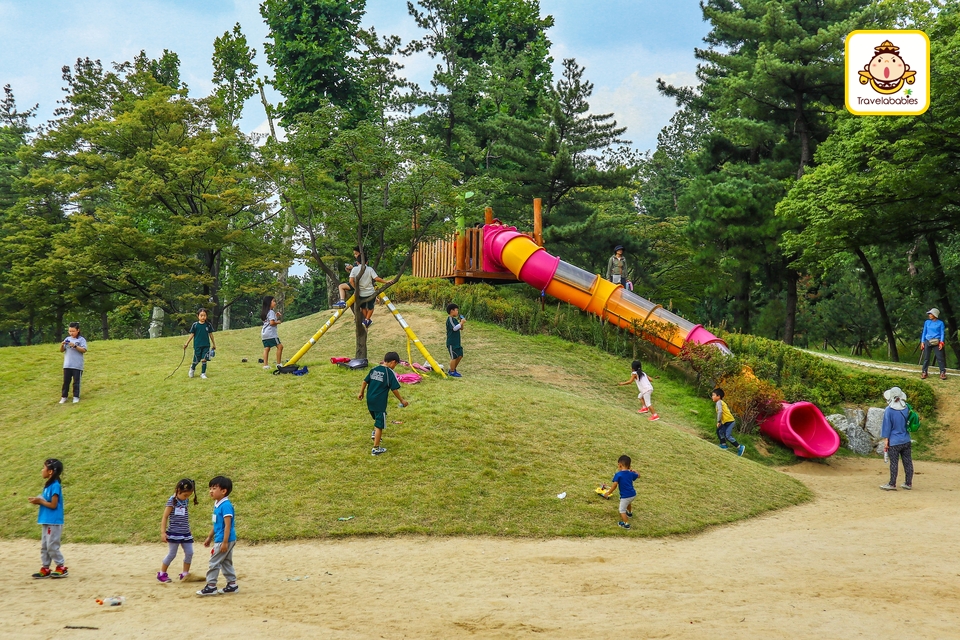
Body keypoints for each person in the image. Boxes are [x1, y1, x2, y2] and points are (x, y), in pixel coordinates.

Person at [359, 351, 409, 456]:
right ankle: (376, 449)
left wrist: (361, 392)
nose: (395, 367)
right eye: (396, 364)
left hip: (370, 399)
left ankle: (375, 434)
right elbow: (394, 389)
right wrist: (402, 400)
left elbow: (364, 381)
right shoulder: (389, 373)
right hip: (379, 402)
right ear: (393, 362)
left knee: (378, 417)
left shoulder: (374, 369)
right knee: (380, 424)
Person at [197, 476, 238, 596]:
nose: (211, 491)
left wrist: (224, 542)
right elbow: (216, 524)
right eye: (210, 488)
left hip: (224, 539)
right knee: (225, 562)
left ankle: (211, 586)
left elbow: (227, 525)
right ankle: (232, 585)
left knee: (214, 562)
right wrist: (210, 537)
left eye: (214, 488)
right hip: (224, 538)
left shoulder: (225, 506)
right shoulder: (217, 504)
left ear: (224, 491)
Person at [28, 458, 67, 578]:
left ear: (50, 471)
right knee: (45, 546)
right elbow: (47, 501)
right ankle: (45, 568)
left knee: (52, 545)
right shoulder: (48, 486)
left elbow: (53, 505)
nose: (42, 470)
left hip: (53, 521)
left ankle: (61, 567)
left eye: (44, 468)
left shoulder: (55, 486)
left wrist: (40, 501)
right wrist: (38, 500)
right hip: (46, 520)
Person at [158, 478, 198, 583]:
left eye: (189, 495)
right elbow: (165, 517)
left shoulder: (185, 500)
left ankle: (185, 573)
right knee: (172, 554)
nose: (186, 497)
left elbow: (184, 515)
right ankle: (162, 573)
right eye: (185, 495)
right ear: (178, 490)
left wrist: (188, 528)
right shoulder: (172, 501)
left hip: (185, 533)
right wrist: (163, 532)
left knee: (190, 552)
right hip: (174, 533)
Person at [880, 387, 914, 491]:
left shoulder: (889, 410)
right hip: (906, 439)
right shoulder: (906, 408)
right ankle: (908, 483)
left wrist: (886, 441)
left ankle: (892, 484)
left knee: (894, 463)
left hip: (894, 441)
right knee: (908, 462)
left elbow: (887, 427)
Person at [349, 255, 389, 328]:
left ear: (357, 262)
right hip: (370, 292)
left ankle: (367, 320)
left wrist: (356, 289)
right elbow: (376, 279)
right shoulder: (370, 269)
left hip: (361, 293)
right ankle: (367, 319)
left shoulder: (354, 269)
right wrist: (386, 281)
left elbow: (351, 281)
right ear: (367, 262)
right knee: (371, 308)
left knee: (363, 307)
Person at [603, 455, 639, 530]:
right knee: (628, 502)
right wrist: (635, 471)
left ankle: (626, 524)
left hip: (625, 496)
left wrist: (608, 492)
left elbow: (614, 485)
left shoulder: (618, 474)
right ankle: (629, 513)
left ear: (620, 465)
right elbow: (638, 476)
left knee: (622, 510)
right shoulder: (631, 473)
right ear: (629, 466)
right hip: (633, 494)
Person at [184, 308, 216, 379]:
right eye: (201, 315)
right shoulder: (195, 325)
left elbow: (211, 335)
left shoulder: (208, 325)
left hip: (206, 345)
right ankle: (192, 368)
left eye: (204, 315)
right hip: (197, 345)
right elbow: (192, 334)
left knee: (204, 359)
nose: (203, 317)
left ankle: (203, 373)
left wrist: (214, 344)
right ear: (198, 316)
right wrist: (186, 343)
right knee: (197, 360)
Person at [59, 322, 87, 404]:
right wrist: (62, 345)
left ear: (78, 330)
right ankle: (64, 397)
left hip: (77, 365)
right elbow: (62, 350)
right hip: (67, 365)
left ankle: (76, 397)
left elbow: (84, 350)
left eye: (73, 331)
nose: (71, 333)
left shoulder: (81, 340)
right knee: (66, 382)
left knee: (76, 382)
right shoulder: (67, 339)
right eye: (70, 331)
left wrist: (75, 346)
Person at [712, 388, 745, 456]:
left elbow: (720, 412)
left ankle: (740, 447)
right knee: (719, 431)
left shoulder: (719, 402)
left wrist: (718, 421)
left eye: (713, 395)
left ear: (718, 396)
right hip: (726, 421)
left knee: (727, 435)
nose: (712, 396)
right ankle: (723, 445)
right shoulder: (721, 402)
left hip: (729, 421)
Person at [920, 307, 947, 380]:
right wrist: (922, 342)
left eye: (930, 314)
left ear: (934, 315)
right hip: (928, 341)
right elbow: (924, 332)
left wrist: (941, 342)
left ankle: (942, 372)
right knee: (926, 358)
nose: (929, 315)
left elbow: (942, 333)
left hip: (937, 341)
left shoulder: (940, 323)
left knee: (940, 358)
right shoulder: (927, 322)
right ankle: (924, 372)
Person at [260, 296, 283, 369]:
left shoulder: (265, 312)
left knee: (266, 348)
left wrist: (275, 316)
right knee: (280, 347)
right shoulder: (271, 312)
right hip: (271, 334)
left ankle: (265, 365)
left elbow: (268, 320)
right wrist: (278, 322)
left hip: (264, 334)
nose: (275, 303)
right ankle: (278, 364)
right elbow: (272, 323)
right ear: (269, 303)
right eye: (273, 301)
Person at [446, 303, 466, 378]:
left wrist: (461, 322)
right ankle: (451, 371)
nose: (457, 312)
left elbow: (461, 328)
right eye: (456, 310)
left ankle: (453, 369)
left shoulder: (454, 320)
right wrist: (461, 322)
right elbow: (454, 328)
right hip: (452, 342)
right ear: (452, 311)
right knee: (454, 357)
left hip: (457, 342)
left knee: (460, 355)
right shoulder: (450, 319)